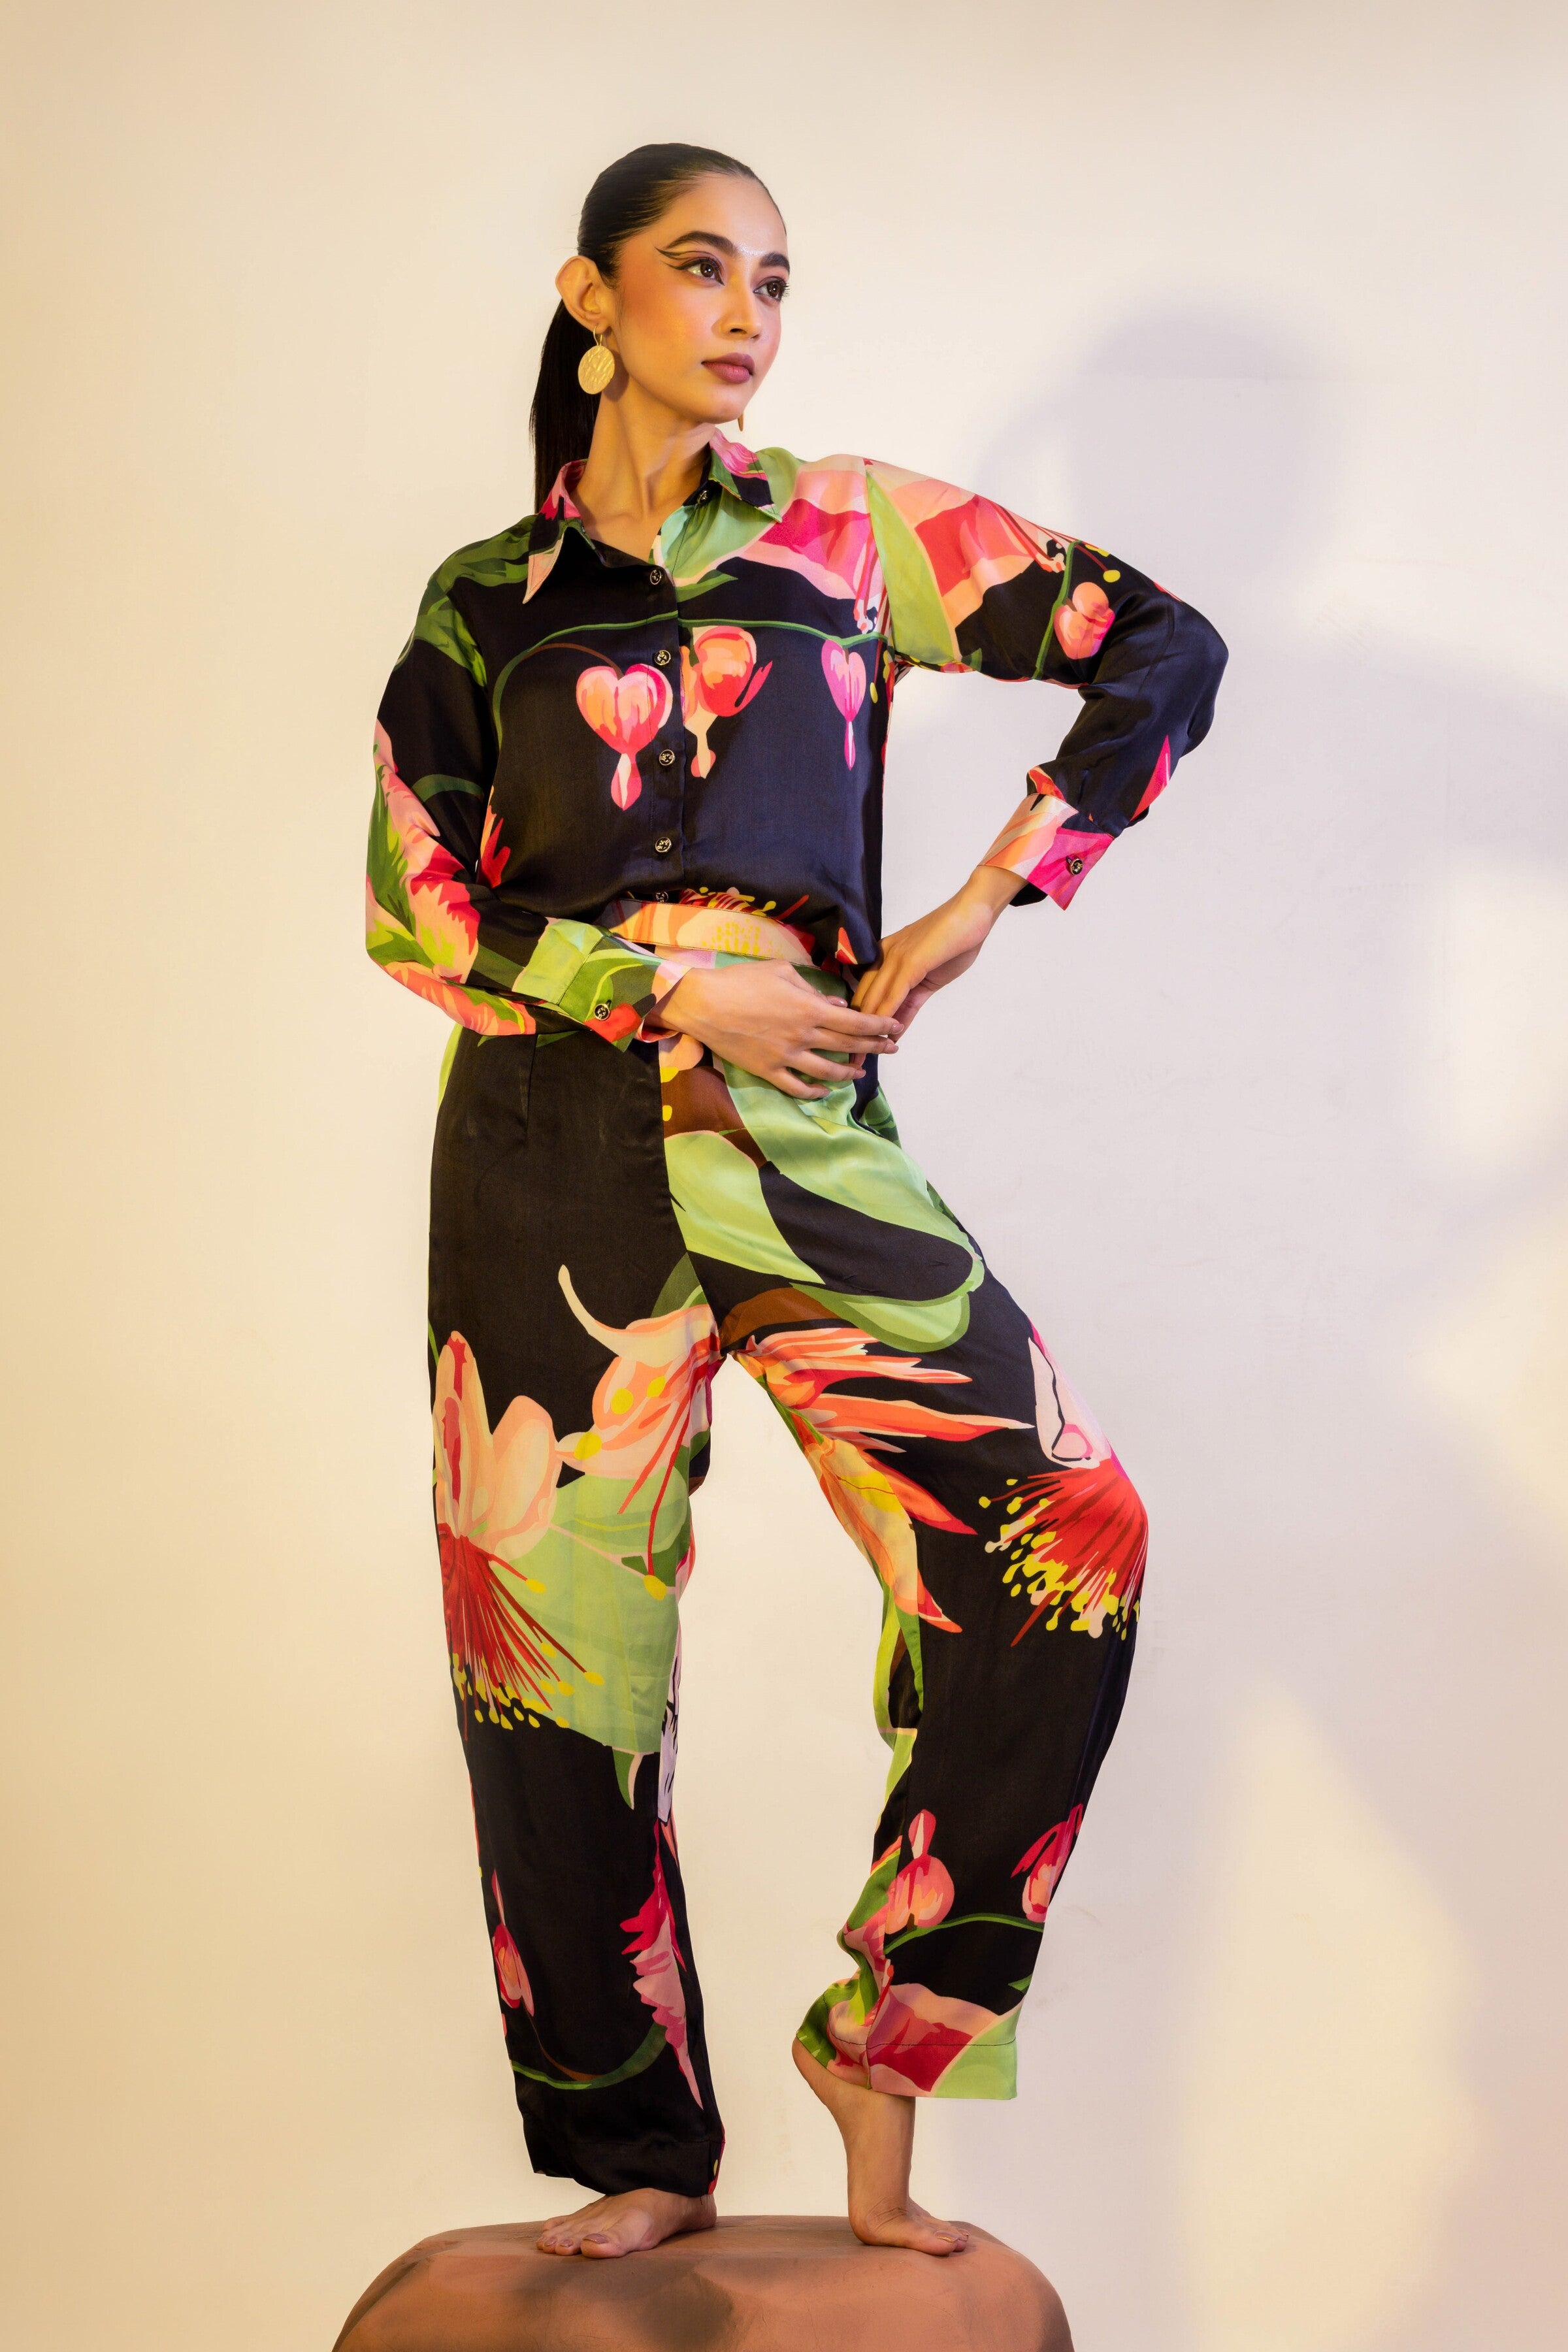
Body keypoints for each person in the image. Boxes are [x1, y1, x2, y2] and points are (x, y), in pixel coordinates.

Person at [366, 140, 1226, 2264]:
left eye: (773, 277)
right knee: (560, 1679)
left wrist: (982, 900)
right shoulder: (486, 603)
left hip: (803, 1135)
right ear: (593, 298)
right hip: (546, 1149)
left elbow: (1162, 646)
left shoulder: (850, 533)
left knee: (1067, 1533)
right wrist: (666, 984)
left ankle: (889, 2032)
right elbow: (415, 905)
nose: (747, 312)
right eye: (700, 267)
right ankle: (642, 2157)